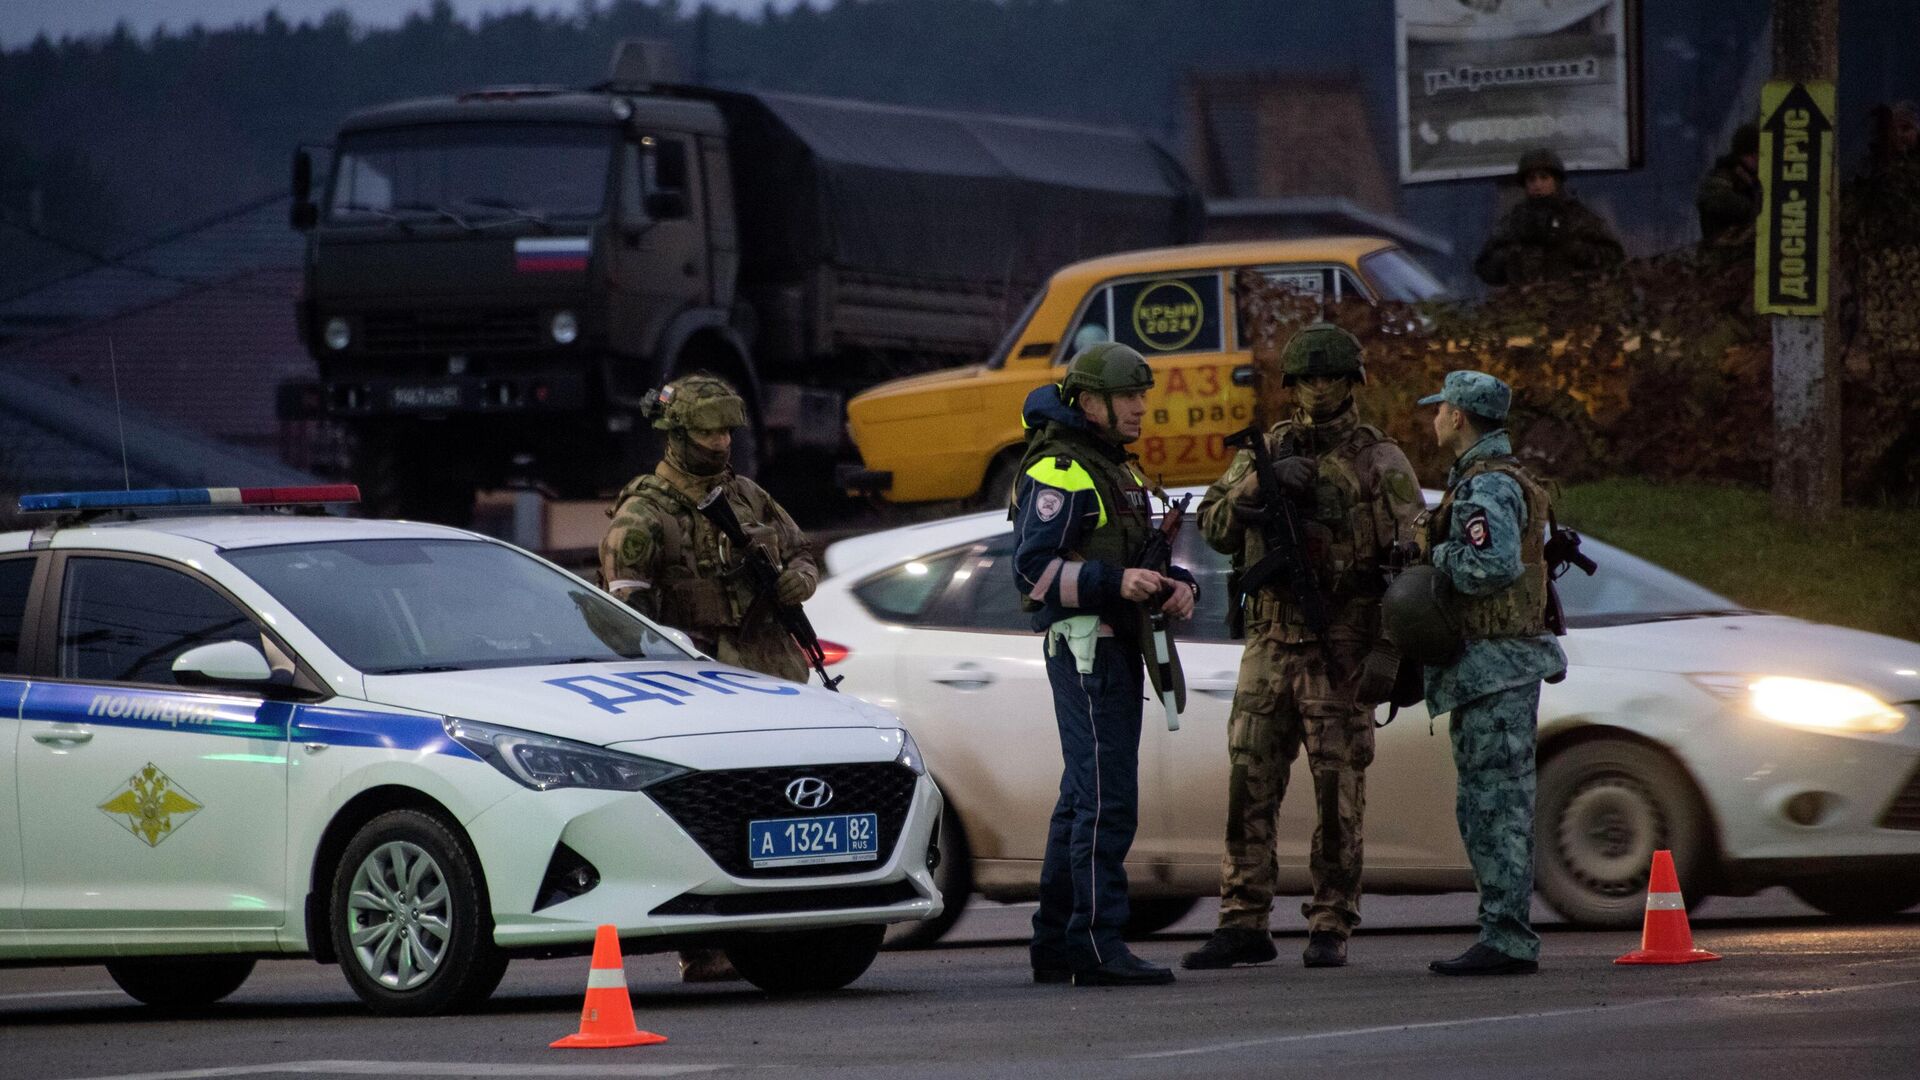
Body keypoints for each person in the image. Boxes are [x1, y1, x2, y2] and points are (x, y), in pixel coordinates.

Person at [1180, 324, 1424, 973]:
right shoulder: (1265, 449)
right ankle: (1242, 918)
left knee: (1337, 789)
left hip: (1340, 641)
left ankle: (1331, 917)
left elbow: (1412, 562)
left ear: (1352, 383)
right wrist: (1258, 487)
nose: (1320, 389)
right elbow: (1213, 526)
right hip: (1269, 639)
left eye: (1332, 377)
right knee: (1246, 782)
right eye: (1309, 378)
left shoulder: (1381, 460)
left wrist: (1389, 652)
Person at [598, 372, 818, 982]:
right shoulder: (644, 515)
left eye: (727, 429)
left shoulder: (749, 496)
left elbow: (801, 552)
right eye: (707, 431)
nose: (721, 441)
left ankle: (789, 925)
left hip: (772, 672)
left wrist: (796, 579)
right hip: (703, 688)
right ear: (676, 433)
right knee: (718, 816)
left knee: (787, 807)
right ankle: (706, 942)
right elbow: (625, 621)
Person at [1013, 342, 1197, 988]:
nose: (1141, 408)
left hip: (1117, 646)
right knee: (1104, 799)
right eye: (1128, 397)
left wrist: (1175, 584)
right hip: (1089, 650)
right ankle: (1096, 942)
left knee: (1080, 799)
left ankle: (1057, 942)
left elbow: (1125, 551)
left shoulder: (1112, 468)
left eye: (1143, 396)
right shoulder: (1063, 470)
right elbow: (1032, 570)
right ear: (1089, 402)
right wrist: (1118, 582)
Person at [1413, 370, 1566, 976]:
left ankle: (1506, 937)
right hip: (1489, 670)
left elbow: (1490, 565)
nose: (1435, 419)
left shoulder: (1486, 489)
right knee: (1485, 803)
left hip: (1495, 668)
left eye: (1440, 409)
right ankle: (1501, 930)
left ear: (1458, 417)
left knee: (1496, 807)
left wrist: (1432, 551)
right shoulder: (1491, 481)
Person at [1474, 148, 1625, 287]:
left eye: (1544, 177)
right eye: (1531, 179)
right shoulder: (1514, 221)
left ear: (1556, 181)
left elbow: (1614, 257)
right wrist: (1512, 256)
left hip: (1573, 305)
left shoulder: (1577, 217)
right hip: (1524, 307)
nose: (1537, 185)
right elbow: (1485, 268)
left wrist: (1572, 247)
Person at [1697, 123, 1761, 252]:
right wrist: (1758, 209)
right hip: (1721, 260)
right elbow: (1716, 198)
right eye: (1757, 153)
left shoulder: (1752, 180)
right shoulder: (1723, 177)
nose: (1760, 159)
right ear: (1750, 154)